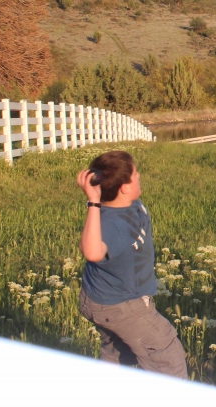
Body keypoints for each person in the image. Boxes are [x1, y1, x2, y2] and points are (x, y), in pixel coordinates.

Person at [76, 150, 188, 378]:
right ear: (125, 187)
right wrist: (93, 201)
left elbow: (112, 175)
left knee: (117, 354)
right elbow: (91, 251)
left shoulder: (127, 201)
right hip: (120, 304)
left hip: (104, 299)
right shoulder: (112, 224)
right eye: (135, 175)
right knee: (166, 356)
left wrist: (100, 180)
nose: (139, 177)